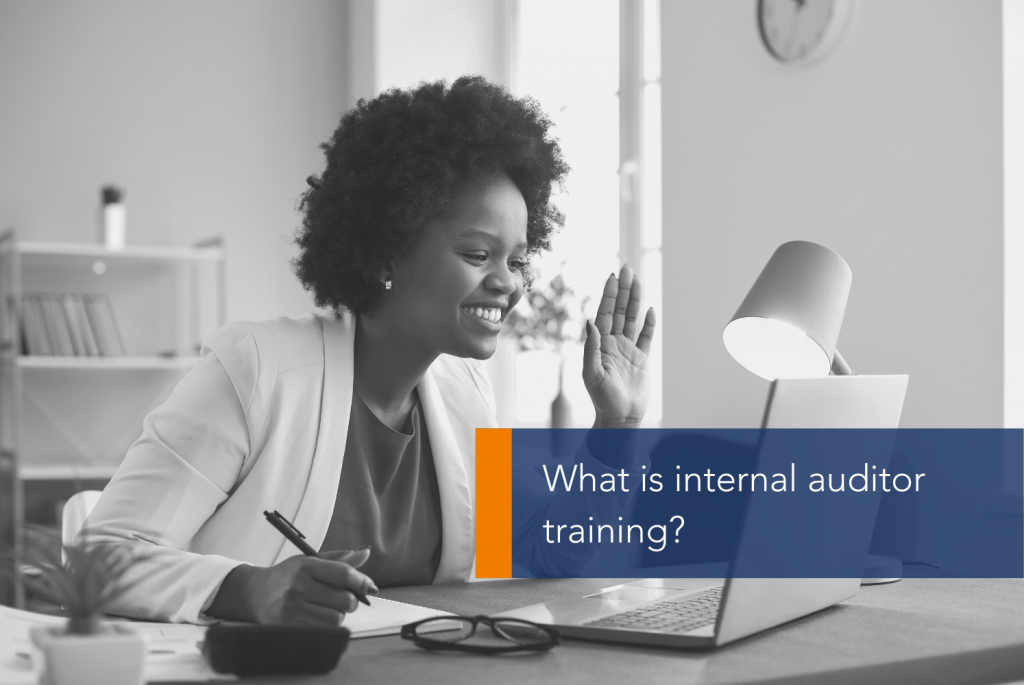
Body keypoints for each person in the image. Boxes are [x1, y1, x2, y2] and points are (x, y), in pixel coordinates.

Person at [84, 76, 656, 625]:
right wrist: (248, 589)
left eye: (517, 260)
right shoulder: (257, 371)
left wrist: (616, 426)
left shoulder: (464, 398)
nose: (508, 282)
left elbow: (546, 557)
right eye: (478, 254)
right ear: (387, 253)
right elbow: (99, 557)